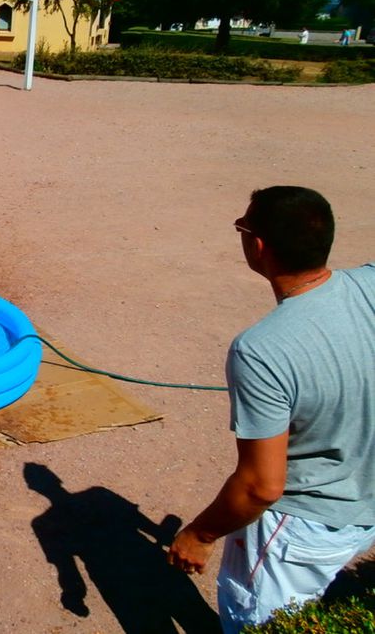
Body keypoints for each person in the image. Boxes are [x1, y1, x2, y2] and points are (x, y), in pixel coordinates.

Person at [167, 186, 375, 633]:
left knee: (260, 622)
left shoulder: (261, 350)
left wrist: (199, 534)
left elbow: (262, 485)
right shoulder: (371, 284)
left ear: (257, 246)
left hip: (305, 526)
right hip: (367, 504)